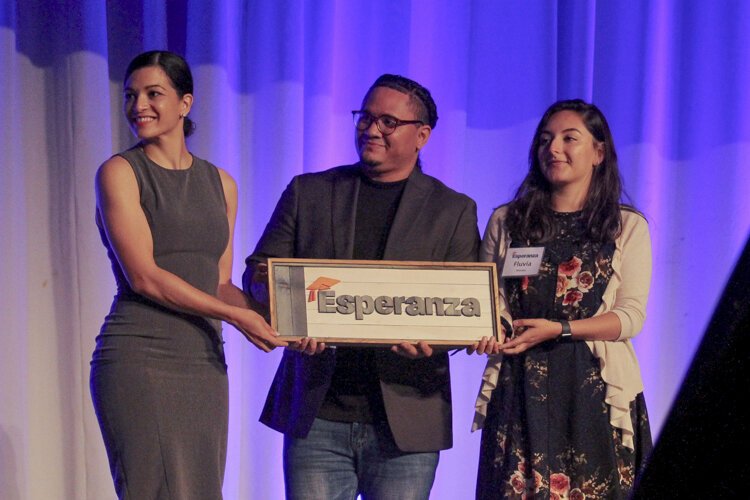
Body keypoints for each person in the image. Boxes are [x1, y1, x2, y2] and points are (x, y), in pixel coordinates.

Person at [243, 74, 481, 500]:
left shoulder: (454, 209)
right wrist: (291, 314)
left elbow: (466, 305)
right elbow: (258, 272)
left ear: (421, 135)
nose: (371, 129)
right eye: (365, 117)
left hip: (407, 421)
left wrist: (436, 341)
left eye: (388, 122)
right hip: (317, 414)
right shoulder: (309, 191)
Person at [89, 50, 285, 499]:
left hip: (203, 362)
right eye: (131, 95)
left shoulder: (222, 183)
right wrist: (236, 318)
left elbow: (219, 283)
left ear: (185, 103)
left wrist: (284, 324)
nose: (139, 105)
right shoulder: (119, 173)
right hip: (140, 357)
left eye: (153, 93)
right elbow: (145, 277)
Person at [472, 99, 653, 499]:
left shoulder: (626, 226)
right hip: (520, 383)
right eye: (545, 140)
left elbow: (630, 317)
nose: (553, 149)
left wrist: (561, 329)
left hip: (592, 389)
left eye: (570, 139)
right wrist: (489, 330)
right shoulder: (507, 220)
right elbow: (487, 300)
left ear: (599, 153)